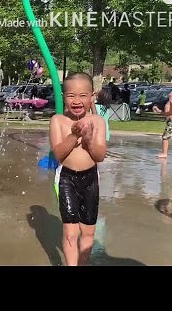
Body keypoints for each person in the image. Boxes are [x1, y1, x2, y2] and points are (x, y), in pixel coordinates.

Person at [49, 72, 107, 266]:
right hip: (67, 178)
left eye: (83, 95)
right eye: (71, 95)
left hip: (90, 178)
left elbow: (100, 156)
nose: (76, 100)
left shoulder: (98, 122)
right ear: (64, 96)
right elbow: (58, 154)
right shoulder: (57, 120)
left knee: (88, 231)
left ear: (92, 97)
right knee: (70, 232)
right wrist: (73, 136)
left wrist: (89, 141)